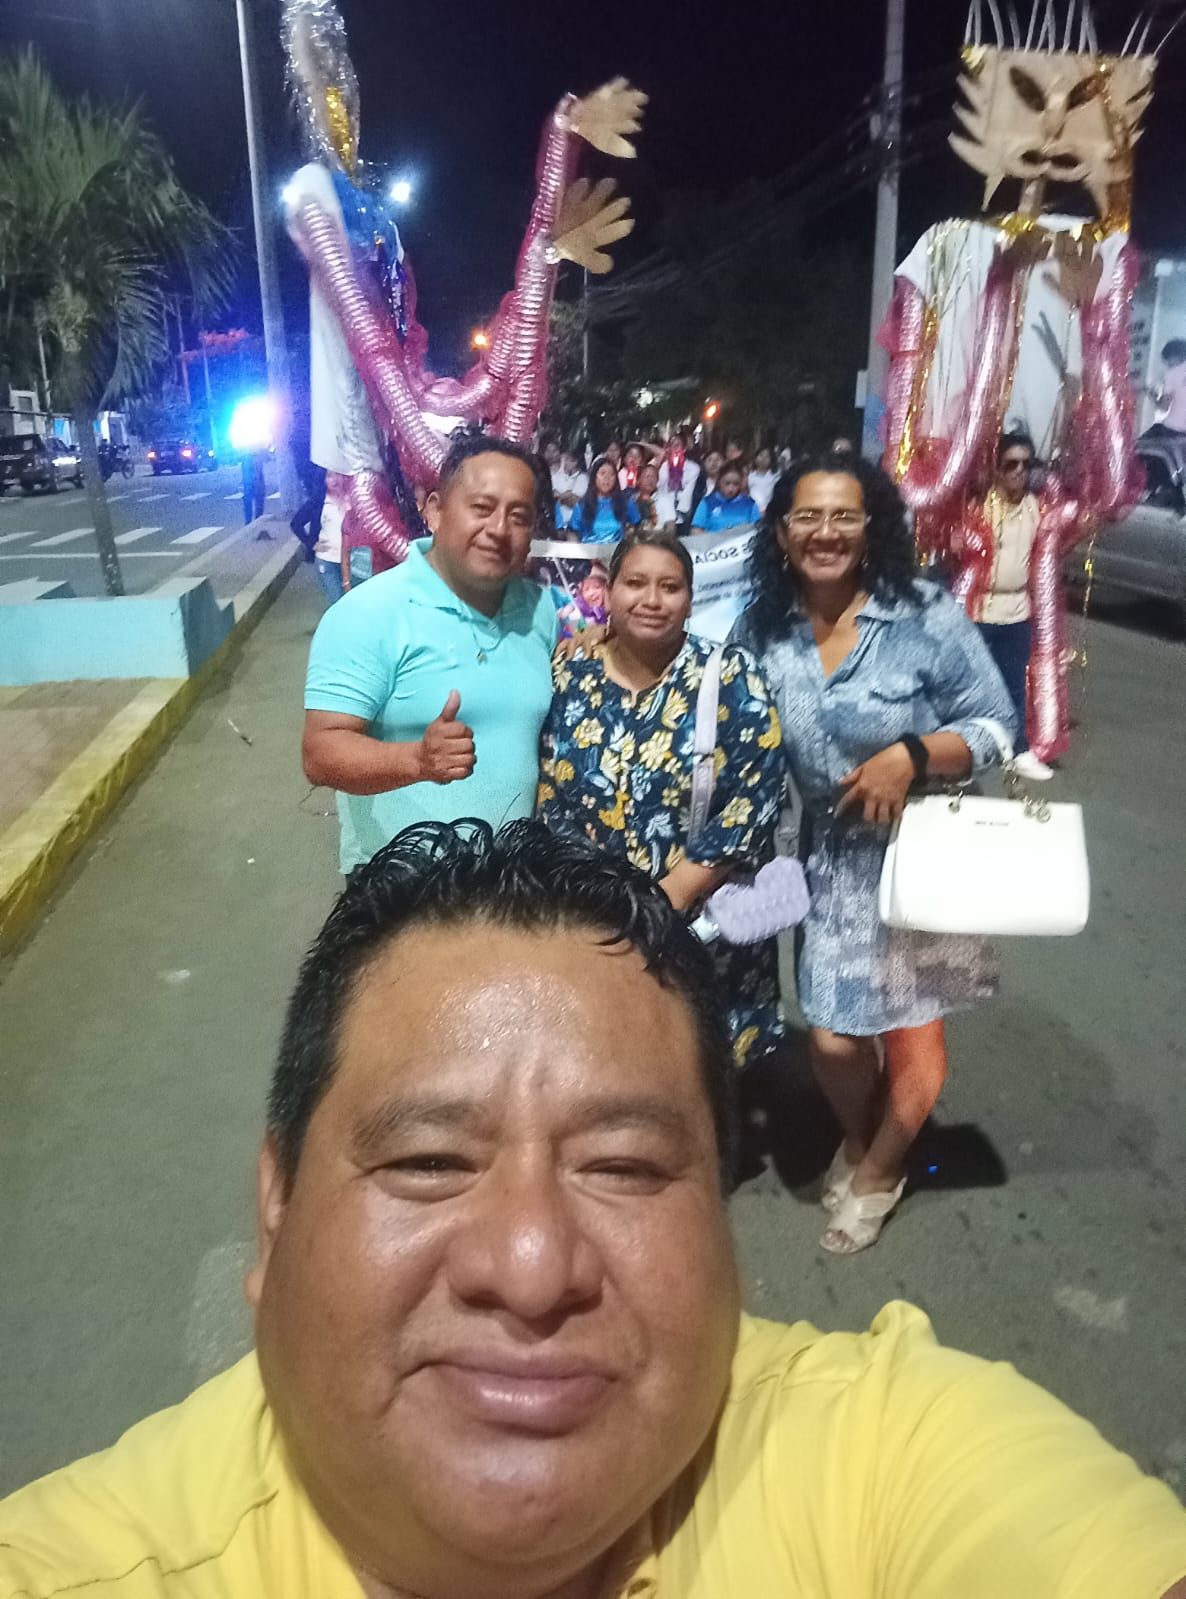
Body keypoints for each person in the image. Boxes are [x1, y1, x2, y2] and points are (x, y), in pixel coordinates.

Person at [5, 821, 1186, 1599]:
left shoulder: (886, 1456)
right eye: (429, 1161)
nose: (530, 1267)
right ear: (276, 1207)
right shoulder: (84, 1567)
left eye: (622, 1166)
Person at [733, 451, 1017, 1255]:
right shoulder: (763, 626)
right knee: (832, 1038)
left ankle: (881, 1166)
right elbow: (709, 697)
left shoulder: (923, 611)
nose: (825, 532)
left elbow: (998, 725)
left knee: (914, 1039)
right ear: (782, 531)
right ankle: (862, 1137)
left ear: (871, 526)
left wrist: (913, 754)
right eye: (808, 516)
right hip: (828, 862)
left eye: (844, 515)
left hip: (923, 852)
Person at [538, 527, 784, 1067]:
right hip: (595, 922)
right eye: (635, 583)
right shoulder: (569, 673)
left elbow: (756, 795)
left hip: (701, 923)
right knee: (605, 1066)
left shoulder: (730, 674)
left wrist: (667, 899)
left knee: (699, 1073)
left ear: (690, 601)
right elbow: (550, 791)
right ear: (609, 592)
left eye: (670, 587)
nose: (652, 600)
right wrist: (594, 904)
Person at [302, 435, 559, 874]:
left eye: (519, 516)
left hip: (511, 880)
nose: (499, 529)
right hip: (405, 885)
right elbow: (320, 754)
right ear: (435, 510)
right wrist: (417, 761)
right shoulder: (369, 613)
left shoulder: (539, 608)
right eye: (482, 507)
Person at [959, 432, 1052, 782]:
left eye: (1026, 464)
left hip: (1017, 614)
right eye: (1011, 464)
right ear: (997, 468)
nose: (1019, 471)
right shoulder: (978, 507)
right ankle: (963, 753)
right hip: (979, 613)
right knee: (970, 687)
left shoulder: (1036, 508)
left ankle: (1019, 750)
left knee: (1014, 686)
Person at [569, 455, 642, 543]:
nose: (606, 478)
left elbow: (639, 528)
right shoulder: (582, 505)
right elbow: (572, 533)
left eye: (611, 475)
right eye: (602, 473)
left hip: (616, 551)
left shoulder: (626, 503)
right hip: (588, 550)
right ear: (594, 477)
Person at [690, 459, 762, 533]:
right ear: (719, 482)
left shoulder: (750, 504)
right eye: (727, 483)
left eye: (736, 484)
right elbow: (696, 529)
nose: (731, 489)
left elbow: (758, 529)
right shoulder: (707, 503)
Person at [1142, 338, 1186, 439]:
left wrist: (1151, 394)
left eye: (1168, 361)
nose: (1167, 365)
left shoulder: (1173, 373)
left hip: (1174, 430)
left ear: (1175, 356)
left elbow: (1163, 407)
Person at [656, 434, 700, 529]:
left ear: (684, 449)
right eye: (672, 445)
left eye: (678, 445)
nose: (675, 447)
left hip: (683, 511)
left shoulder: (694, 468)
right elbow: (660, 488)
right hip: (666, 511)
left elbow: (688, 491)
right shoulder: (664, 467)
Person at [551, 446, 588, 528]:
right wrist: (566, 495)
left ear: (576, 462)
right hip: (558, 522)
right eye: (565, 459)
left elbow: (574, 501)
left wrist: (559, 498)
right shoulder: (558, 476)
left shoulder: (582, 478)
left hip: (573, 523)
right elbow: (552, 495)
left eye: (569, 460)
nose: (566, 462)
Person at [746, 444, 778, 514]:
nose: (763, 459)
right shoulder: (749, 476)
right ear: (755, 458)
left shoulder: (775, 477)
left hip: (767, 512)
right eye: (761, 455)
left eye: (767, 456)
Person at [632, 460, 662, 526]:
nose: (650, 480)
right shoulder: (631, 500)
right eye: (647, 476)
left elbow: (671, 528)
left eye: (653, 477)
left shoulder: (664, 500)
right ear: (638, 480)